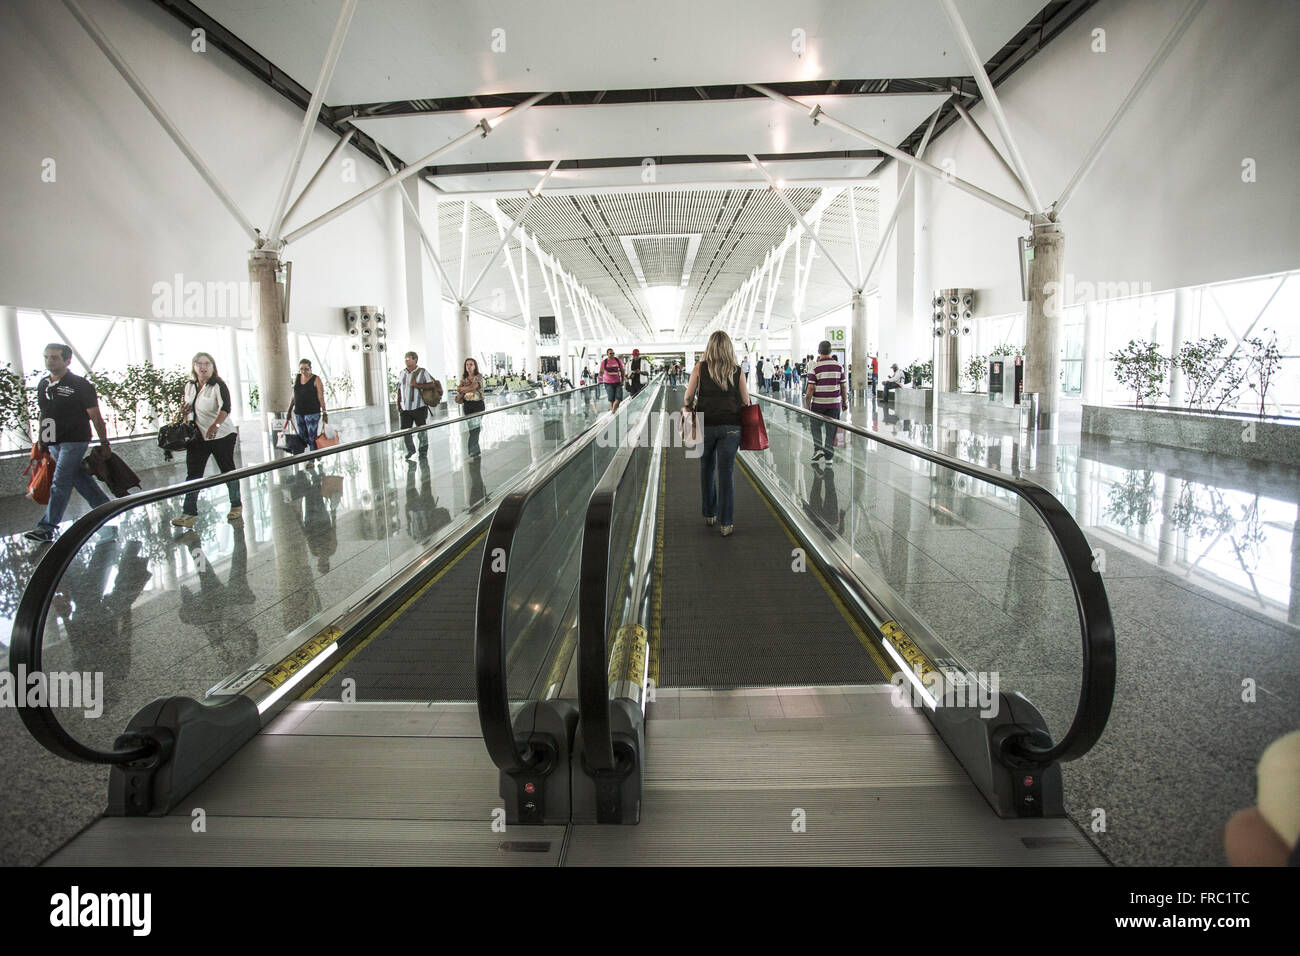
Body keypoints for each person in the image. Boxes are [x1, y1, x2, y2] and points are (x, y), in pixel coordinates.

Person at [24, 343, 112, 542]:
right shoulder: (43, 384)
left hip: (75, 440)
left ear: (67, 360)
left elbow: (96, 417)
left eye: (54, 357)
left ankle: (46, 527)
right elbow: (44, 414)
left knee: (60, 482)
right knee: (79, 479)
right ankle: (107, 510)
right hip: (54, 441)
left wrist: (104, 442)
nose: (49, 361)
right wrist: (42, 441)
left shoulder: (80, 385)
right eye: (46, 357)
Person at [683, 330, 751, 537]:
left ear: (710, 347)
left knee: (706, 468)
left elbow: (688, 397)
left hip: (706, 425)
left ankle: (709, 513)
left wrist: (692, 405)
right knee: (726, 472)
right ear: (729, 347)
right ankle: (726, 523)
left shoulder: (699, 368)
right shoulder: (737, 370)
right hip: (731, 427)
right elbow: (746, 401)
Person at [171, 351, 242, 528]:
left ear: (212, 366)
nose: (203, 367)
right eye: (199, 363)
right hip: (198, 437)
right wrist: (184, 413)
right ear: (193, 366)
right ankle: (189, 513)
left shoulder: (218, 385)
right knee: (193, 474)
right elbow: (189, 407)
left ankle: (236, 504)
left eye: (206, 364)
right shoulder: (189, 386)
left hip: (222, 435)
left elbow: (226, 408)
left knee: (227, 470)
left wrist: (215, 425)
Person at [804, 340, 847, 464]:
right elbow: (843, 386)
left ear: (818, 352)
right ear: (831, 351)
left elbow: (810, 389)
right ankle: (829, 457)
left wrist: (807, 406)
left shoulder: (815, 367)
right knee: (831, 429)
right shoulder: (839, 366)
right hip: (834, 404)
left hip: (818, 404)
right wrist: (844, 402)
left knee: (815, 427)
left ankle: (818, 449)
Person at [397, 350, 434, 460]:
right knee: (405, 431)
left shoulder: (422, 372)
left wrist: (417, 385)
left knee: (421, 431)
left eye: (408, 358)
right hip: (405, 409)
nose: (406, 360)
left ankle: (423, 452)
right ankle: (410, 450)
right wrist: (398, 403)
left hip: (419, 407)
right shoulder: (402, 373)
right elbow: (399, 388)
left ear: (415, 359)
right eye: (405, 358)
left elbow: (432, 384)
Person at [284, 358, 327, 451]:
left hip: (312, 413)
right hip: (299, 412)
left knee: (312, 437)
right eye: (301, 369)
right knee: (302, 438)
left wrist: (324, 412)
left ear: (310, 368)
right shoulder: (297, 377)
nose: (303, 371)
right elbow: (294, 395)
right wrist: (289, 411)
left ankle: (312, 460)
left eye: (306, 369)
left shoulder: (316, 379)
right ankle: (305, 458)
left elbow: (321, 397)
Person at [455, 357, 486, 457]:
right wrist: (465, 389)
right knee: (471, 428)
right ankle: (474, 450)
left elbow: (473, 387)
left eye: (471, 364)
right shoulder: (463, 378)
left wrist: (463, 388)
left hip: (478, 405)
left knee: (476, 428)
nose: (469, 366)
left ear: (475, 366)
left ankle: (472, 450)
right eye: (467, 365)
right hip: (467, 405)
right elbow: (459, 389)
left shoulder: (478, 376)